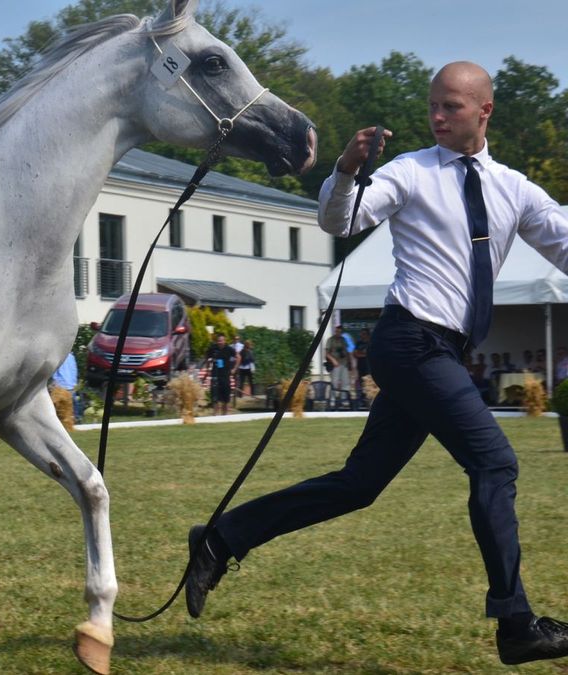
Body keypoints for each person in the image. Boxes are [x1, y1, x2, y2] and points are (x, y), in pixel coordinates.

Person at [185, 62, 568, 666]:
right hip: (409, 342)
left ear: (484, 112)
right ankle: (515, 623)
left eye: (453, 108)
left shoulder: (512, 188)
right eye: (433, 107)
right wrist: (343, 171)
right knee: (494, 461)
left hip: (441, 353)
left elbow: (565, 241)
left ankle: (219, 539)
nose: (438, 117)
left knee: (360, 485)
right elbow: (341, 220)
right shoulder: (410, 171)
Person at [204, 333, 238, 415]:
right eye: (219, 341)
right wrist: (208, 367)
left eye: (222, 341)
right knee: (215, 396)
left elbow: (239, 357)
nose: (220, 342)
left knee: (225, 396)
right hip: (215, 374)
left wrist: (234, 369)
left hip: (225, 375)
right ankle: (215, 414)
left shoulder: (229, 349)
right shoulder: (213, 348)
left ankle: (224, 415)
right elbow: (206, 356)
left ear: (224, 341)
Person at [49, 352, 78, 432]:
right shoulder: (72, 356)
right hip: (71, 387)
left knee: (51, 410)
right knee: (67, 414)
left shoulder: (59, 356)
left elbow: (54, 372)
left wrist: (53, 385)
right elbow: (74, 371)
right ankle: (67, 429)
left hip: (60, 387)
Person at [325, 325, 352, 391]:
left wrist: (349, 362)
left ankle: (344, 399)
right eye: (337, 331)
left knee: (345, 382)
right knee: (334, 383)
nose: (338, 333)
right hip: (335, 364)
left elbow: (347, 351)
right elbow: (326, 353)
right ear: (335, 331)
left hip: (344, 363)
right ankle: (333, 400)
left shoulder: (343, 339)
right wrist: (333, 360)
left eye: (340, 331)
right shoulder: (331, 340)